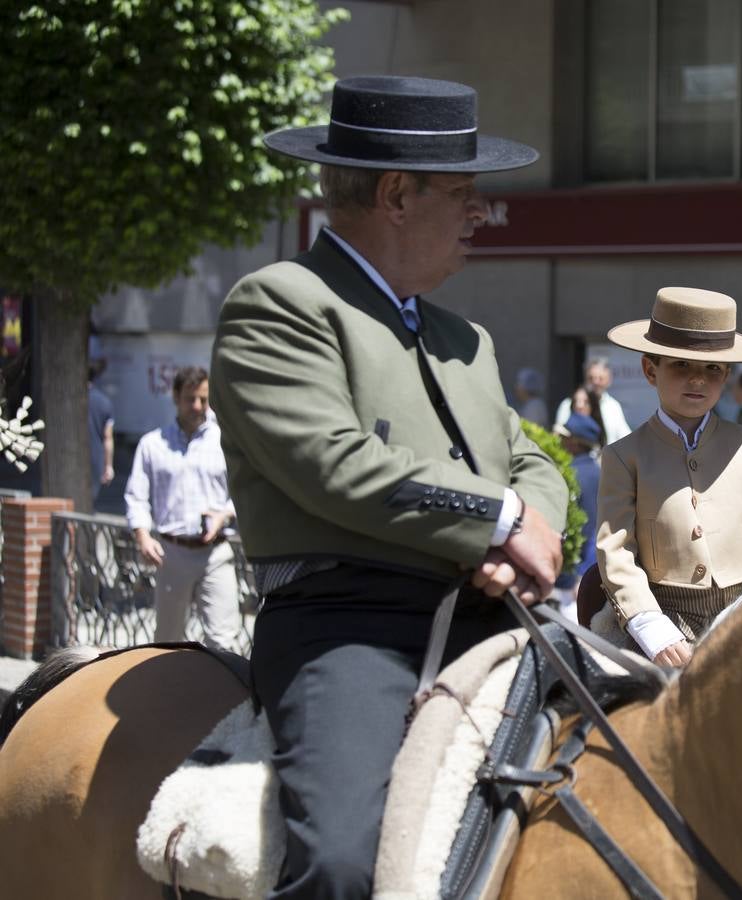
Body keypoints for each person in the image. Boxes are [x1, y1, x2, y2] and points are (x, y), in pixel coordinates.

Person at [209, 76, 567, 899]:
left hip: (499, 615)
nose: (481, 212)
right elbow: (332, 464)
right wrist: (497, 518)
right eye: (465, 194)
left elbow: (531, 459)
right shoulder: (280, 304)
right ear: (397, 195)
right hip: (352, 629)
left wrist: (526, 531)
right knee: (341, 861)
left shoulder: (463, 339)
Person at [594, 287, 742, 666]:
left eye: (712, 369)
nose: (697, 380)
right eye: (681, 365)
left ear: (726, 376)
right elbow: (616, 551)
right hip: (664, 621)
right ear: (651, 370)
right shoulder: (623, 456)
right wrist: (649, 625)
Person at [124, 366, 241, 650]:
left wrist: (223, 514)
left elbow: (243, 491)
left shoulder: (226, 440)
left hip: (216, 553)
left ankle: (224, 696)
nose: (198, 406)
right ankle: (169, 694)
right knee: (168, 641)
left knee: (223, 641)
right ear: (176, 397)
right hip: (172, 553)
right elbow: (136, 496)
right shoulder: (153, 444)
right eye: (191, 399)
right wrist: (142, 536)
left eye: (204, 399)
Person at [549, 413, 602, 622]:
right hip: (594, 569)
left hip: (575, 576)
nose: (560, 441)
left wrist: (571, 576)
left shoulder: (571, 474)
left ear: (575, 443)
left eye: (565, 437)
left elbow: (580, 529)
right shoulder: (599, 471)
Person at [553, 356, 630, 442]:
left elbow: (625, 438)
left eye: (600, 379)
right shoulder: (568, 404)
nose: (595, 382)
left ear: (609, 380)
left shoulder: (613, 407)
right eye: (591, 378)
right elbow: (559, 436)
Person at [88, 359, 115, 501]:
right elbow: (108, 437)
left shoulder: (67, 400)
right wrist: (108, 465)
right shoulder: (104, 403)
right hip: (95, 458)